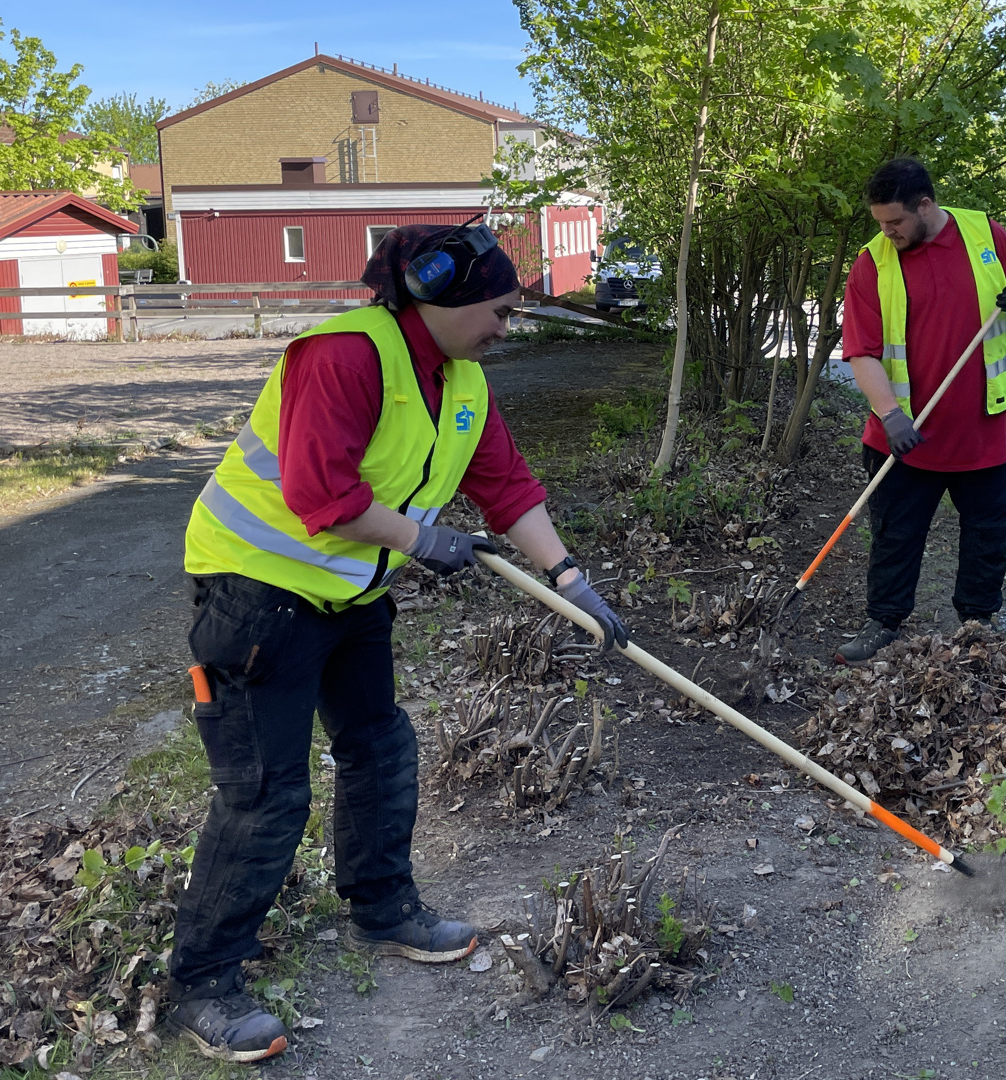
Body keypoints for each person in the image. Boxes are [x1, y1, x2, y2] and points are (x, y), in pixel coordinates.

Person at [164, 222, 630, 1062]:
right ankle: (201, 984)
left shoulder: (462, 380)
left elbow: (506, 485)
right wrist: (425, 542)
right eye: (499, 310)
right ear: (442, 299)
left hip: (350, 595)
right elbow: (319, 494)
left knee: (379, 748)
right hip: (255, 597)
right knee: (267, 793)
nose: (505, 327)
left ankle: (381, 909)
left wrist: (569, 580)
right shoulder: (343, 355)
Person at [835, 158, 1006, 665]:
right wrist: (889, 414)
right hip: (905, 437)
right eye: (880, 222)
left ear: (925, 205)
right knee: (894, 536)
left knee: (987, 536)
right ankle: (883, 622)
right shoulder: (873, 262)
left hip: (987, 435)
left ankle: (977, 626)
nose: (887, 232)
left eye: (895, 222)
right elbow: (860, 351)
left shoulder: (984, 234)